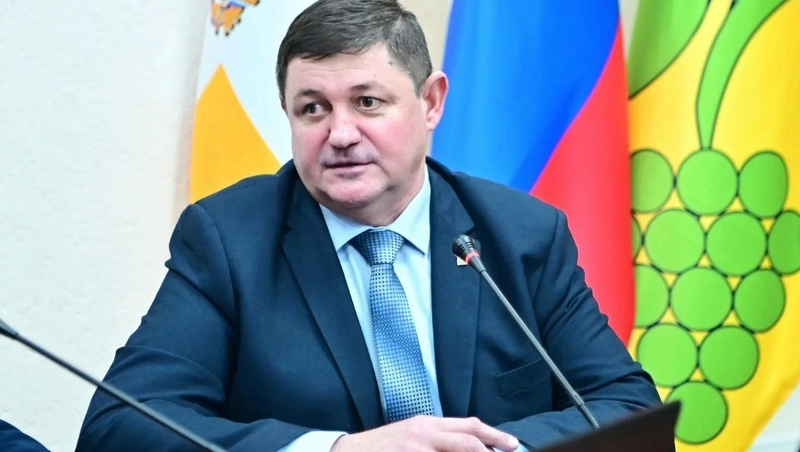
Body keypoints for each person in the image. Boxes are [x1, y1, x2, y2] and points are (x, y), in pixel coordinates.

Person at [76, 0, 662, 450]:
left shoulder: (520, 235)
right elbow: (119, 425)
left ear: (431, 103)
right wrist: (337, 450)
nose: (340, 134)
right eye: (313, 108)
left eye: (367, 102)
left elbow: (627, 407)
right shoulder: (230, 241)